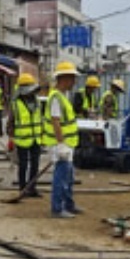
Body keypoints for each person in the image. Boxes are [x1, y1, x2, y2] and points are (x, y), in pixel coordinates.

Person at [44, 61, 82, 219]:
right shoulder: (56, 98)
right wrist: (60, 144)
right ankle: (57, 208)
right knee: (61, 177)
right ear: (64, 78)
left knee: (68, 177)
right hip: (60, 144)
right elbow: (56, 122)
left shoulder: (62, 96)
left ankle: (68, 204)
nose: (74, 82)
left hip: (67, 143)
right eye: (72, 78)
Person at [7, 73, 43, 197]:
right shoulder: (16, 104)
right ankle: (22, 188)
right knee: (23, 165)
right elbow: (11, 122)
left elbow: (41, 119)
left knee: (35, 164)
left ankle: (32, 188)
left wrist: (43, 135)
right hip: (22, 139)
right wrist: (11, 138)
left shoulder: (37, 102)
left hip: (36, 139)